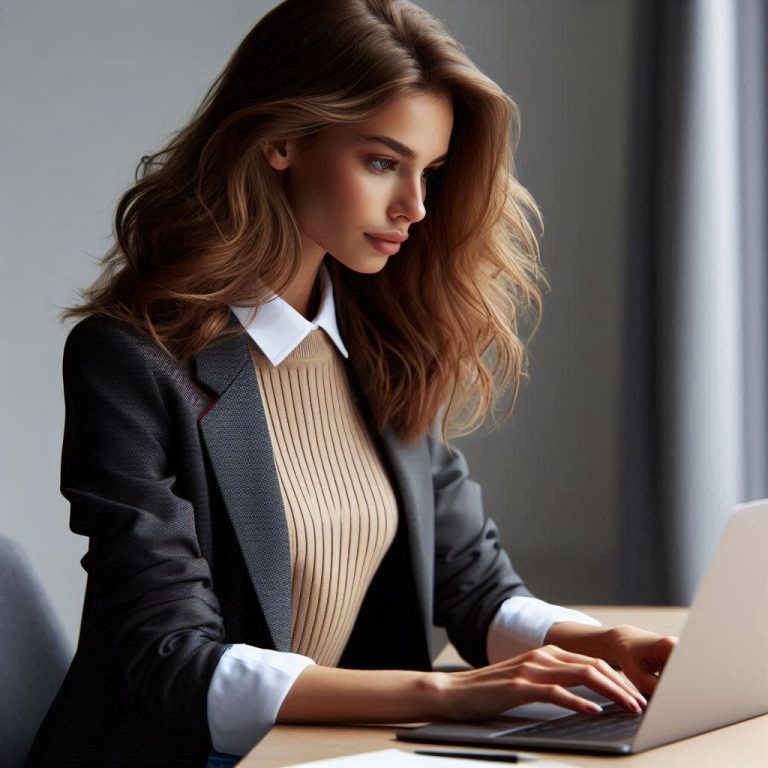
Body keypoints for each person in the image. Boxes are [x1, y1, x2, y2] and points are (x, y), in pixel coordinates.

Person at [27, 1, 676, 766]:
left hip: (322, 754)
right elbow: (173, 665)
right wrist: (449, 694)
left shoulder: (381, 345)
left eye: (429, 172)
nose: (416, 207)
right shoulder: (130, 361)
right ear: (279, 142)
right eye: (381, 162)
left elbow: (472, 587)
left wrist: (598, 641)